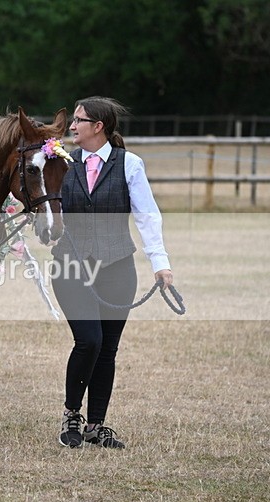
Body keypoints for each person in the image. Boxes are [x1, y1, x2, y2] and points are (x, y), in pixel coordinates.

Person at [51, 96, 174, 449]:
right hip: (71, 265)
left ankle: (96, 425)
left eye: (78, 120)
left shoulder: (130, 165)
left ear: (98, 127)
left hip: (118, 267)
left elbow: (147, 215)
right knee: (89, 340)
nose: (71, 126)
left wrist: (160, 262)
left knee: (107, 349)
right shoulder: (60, 163)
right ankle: (71, 415)